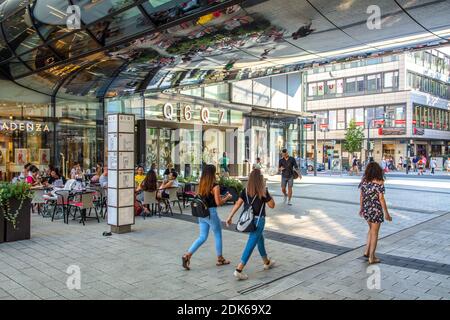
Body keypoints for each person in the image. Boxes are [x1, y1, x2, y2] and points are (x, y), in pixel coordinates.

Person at [226, 169, 276, 280]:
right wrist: (268, 193)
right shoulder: (263, 191)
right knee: (251, 243)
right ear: (260, 179)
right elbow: (272, 205)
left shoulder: (245, 190)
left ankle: (267, 262)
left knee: (260, 239)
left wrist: (230, 216)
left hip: (249, 220)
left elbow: (238, 204)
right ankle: (239, 269)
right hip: (259, 221)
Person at [182, 165, 233, 270]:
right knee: (218, 234)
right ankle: (220, 258)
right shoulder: (215, 186)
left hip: (202, 213)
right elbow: (218, 203)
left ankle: (187, 255)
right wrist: (227, 197)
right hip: (211, 213)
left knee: (202, 237)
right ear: (213, 173)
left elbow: (207, 198)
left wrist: (220, 197)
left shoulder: (202, 184)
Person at [359, 162, 392, 265]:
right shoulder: (379, 182)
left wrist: (361, 208)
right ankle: (372, 257)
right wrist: (386, 213)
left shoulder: (364, 181)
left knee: (371, 230)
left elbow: (361, 196)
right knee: (374, 233)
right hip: (376, 210)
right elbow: (381, 199)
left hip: (366, 209)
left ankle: (367, 252)